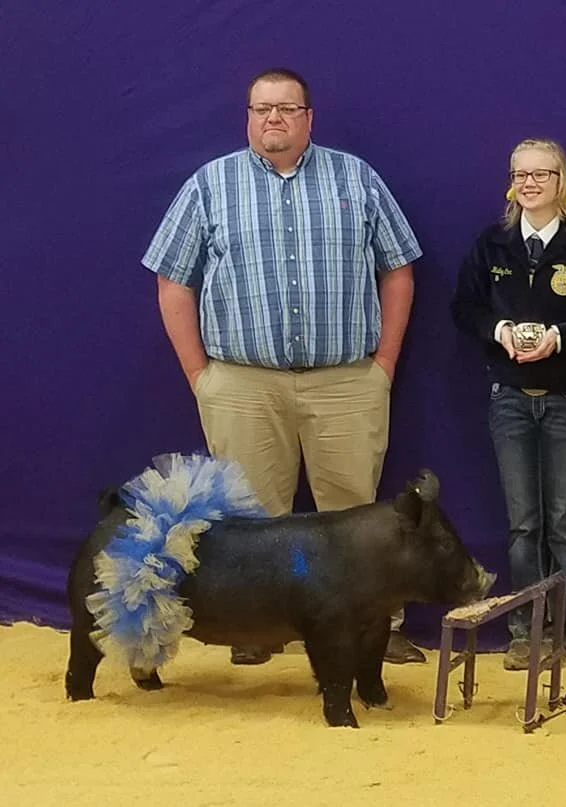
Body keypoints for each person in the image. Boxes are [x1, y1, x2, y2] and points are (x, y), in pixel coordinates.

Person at [142, 67, 427, 665]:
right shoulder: (209, 185)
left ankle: (374, 627)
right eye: (263, 108)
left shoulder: (358, 178)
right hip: (241, 382)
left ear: (308, 118)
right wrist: (202, 377)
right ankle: (256, 629)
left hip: (346, 380)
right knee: (249, 517)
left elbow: (398, 270)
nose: (275, 118)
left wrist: (385, 363)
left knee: (356, 514)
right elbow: (172, 282)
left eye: (287, 108)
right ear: (247, 116)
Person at [451, 138, 566, 670]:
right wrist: (499, 329)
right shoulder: (493, 247)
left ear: (563, 183)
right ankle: (522, 630)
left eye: (542, 174)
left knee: (564, 523)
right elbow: (463, 308)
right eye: (520, 174)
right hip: (509, 400)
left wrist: (562, 337)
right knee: (523, 525)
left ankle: (562, 631)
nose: (530, 183)